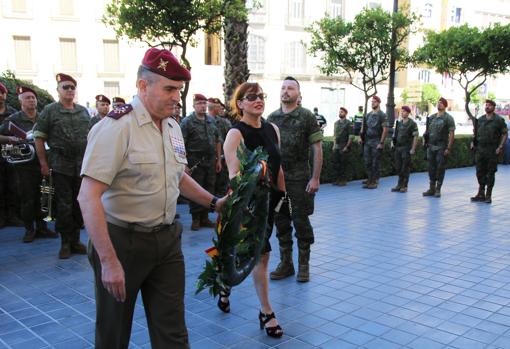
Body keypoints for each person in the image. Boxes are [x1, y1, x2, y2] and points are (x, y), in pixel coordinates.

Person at [78, 47, 226, 349]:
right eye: (169, 88)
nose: (177, 97)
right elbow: (88, 196)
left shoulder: (172, 126)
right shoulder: (116, 128)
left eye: (179, 90)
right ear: (143, 86)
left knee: (173, 333)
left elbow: (178, 176)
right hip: (123, 243)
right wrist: (108, 261)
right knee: (113, 334)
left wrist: (213, 202)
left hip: (167, 241)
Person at [219, 82, 284, 338]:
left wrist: (283, 199)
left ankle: (226, 283)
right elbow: (235, 176)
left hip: (270, 203)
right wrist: (252, 194)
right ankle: (266, 311)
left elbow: (279, 166)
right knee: (259, 253)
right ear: (240, 104)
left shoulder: (272, 129)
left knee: (257, 254)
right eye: (251, 97)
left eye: (261, 96)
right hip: (246, 206)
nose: (258, 100)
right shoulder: (235, 134)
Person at [267, 76, 323, 283]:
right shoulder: (272, 118)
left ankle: (303, 266)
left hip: (299, 181)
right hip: (278, 182)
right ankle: (286, 264)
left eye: (291, 88)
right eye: (283, 88)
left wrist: (315, 178)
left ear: (298, 94)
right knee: (281, 223)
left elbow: (317, 149)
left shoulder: (306, 117)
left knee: (301, 222)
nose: (286, 91)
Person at [33, 73, 90, 259]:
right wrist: (43, 163)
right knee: (64, 206)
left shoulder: (83, 111)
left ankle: (76, 240)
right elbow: (39, 138)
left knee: (79, 204)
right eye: (65, 87)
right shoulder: (50, 111)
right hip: (60, 165)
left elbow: (90, 138)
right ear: (58, 90)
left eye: (72, 87)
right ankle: (65, 243)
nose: (70, 90)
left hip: (81, 166)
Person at [0, 86, 57, 242]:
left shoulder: (43, 117)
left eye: (33, 97)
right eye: (27, 98)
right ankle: (29, 229)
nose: (31, 100)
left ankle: (43, 228)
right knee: (27, 198)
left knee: (45, 196)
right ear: (20, 101)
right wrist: (10, 139)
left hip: (44, 162)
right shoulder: (13, 119)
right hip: (25, 166)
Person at [180, 94, 222, 230]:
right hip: (194, 161)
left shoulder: (211, 121)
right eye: (199, 103)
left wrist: (218, 160)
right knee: (196, 188)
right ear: (194, 105)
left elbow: (217, 140)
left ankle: (205, 217)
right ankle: (196, 219)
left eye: (204, 103)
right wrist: (184, 164)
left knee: (209, 187)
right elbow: (181, 144)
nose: (202, 106)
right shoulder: (187, 122)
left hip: (210, 160)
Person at [470, 99, 508, 203]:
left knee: (490, 173)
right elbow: (475, 134)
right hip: (480, 149)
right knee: (479, 172)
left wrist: (500, 146)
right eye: (486, 105)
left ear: (493, 107)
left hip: (492, 150)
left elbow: (505, 133)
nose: (487, 107)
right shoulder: (480, 119)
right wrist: (473, 142)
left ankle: (488, 195)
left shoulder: (498, 120)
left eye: (489, 105)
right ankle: (481, 192)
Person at [422, 97, 455, 198]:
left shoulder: (448, 118)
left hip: (441, 147)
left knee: (440, 168)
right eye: (438, 102)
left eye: (441, 103)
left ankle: (438, 189)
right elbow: (426, 131)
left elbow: (452, 134)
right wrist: (424, 140)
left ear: (445, 106)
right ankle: (431, 188)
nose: (439, 104)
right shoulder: (431, 117)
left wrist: (448, 148)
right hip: (431, 146)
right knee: (431, 168)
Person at [0, 82, 23, 228]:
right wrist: (8, 138)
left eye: (2, 93)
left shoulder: (13, 113)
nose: (0, 96)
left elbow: (20, 132)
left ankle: (13, 216)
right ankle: (1, 217)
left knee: (13, 186)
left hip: (11, 156)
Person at [360, 96, 389, 189]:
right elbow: (365, 127)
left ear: (378, 103)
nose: (372, 103)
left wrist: (381, 142)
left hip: (376, 141)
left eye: (374, 102)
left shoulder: (382, 115)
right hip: (368, 141)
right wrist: (361, 138)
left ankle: (374, 181)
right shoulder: (368, 115)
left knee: (375, 162)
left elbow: (385, 129)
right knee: (367, 161)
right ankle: (369, 179)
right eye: (372, 102)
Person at [391, 106, 418, 193]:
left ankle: (404, 185)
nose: (402, 113)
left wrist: (413, 148)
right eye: (401, 111)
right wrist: (392, 143)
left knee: (405, 168)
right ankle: (399, 184)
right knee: (398, 167)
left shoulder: (412, 124)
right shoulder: (399, 123)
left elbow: (415, 136)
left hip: (406, 148)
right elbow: (395, 135)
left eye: (404, 111)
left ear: (408, 113)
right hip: (398, 147)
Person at [208, 97, 232, 197]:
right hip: (207, 160)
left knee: (222, 185)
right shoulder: (203, 120)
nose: (220, 109)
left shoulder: (224, 122)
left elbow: (230, 140)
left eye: (220, 107)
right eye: (218, 107)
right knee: (208, 184)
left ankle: (221, 206)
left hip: (222, 158)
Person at [332, 107, 353, 186]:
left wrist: (347, 146)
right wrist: (334, 145)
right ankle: (337, 179)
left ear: (345, 113)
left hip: (344, 145)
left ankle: (343, 180)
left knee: (343, 163)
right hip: (337, 145)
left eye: (342, 112)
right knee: (336, 163)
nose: (340, 113)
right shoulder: (336, 123)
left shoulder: (349, 123)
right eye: (339, 112)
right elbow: (334, 135)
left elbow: (351, 136)